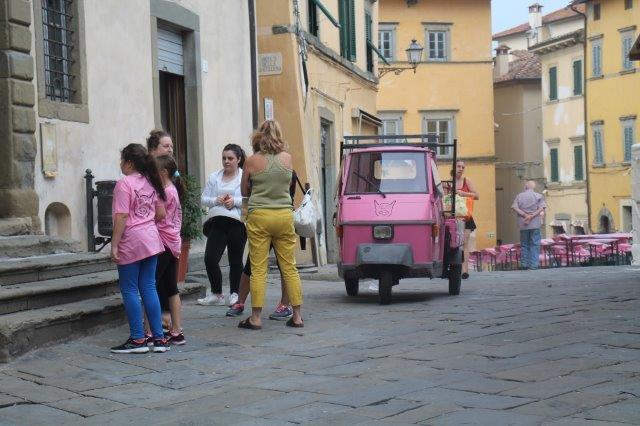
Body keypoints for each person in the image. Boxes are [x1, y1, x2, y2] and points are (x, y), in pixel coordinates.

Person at [238, 120, 303, 329]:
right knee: (289, 267)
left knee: (258, 268)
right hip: (284, 215)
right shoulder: (288, 159)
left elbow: (244, 192)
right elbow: (289, 185)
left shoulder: (251, 161)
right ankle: (297, 316)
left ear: (258, 136)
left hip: (260, 217)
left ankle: (256, 318)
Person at [110, 143, 169, 354]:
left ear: (128, 163)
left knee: (129, 289)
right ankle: (159, 339)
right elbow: (161, 213)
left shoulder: (124, 183)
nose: (120, 164)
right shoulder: (151, 181)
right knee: (149, 287)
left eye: (122, 160)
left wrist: (114, 244)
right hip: (151, 239)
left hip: (131, 240)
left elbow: (122, 216)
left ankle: (137, 339)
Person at [226, 171, 299, 320]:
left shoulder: (287, 170)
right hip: (264, 222)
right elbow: (247, 196)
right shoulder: (257, 168)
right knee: (252, 264)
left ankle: (284, 305)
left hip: (277, 221)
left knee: (285, 266)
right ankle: (240, 302)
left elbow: (290, 197)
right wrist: (245, 220)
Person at [198, 144, 247, 306]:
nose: (226, 161)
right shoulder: (215, 177)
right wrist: (216, 200)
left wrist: (235, 201)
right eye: (224, 158)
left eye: (230, 158)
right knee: (210, 258)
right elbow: (203, 199)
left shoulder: (244, 177)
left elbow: (251, 200)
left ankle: (235, 293)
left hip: (237, 223)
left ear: (238, 159)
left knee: (235, 260)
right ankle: (217, 293)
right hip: (217, 221)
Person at [151, 155, 186, 345]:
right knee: (171, 287)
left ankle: (152, 331)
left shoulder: (165, 191)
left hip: (163, 243)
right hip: (173, 243)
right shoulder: (173, 189)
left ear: (163, 172)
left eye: (154, 170)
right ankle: (176, 331)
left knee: (151, 285)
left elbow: (159, 215)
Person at [146, 129, 175, 329]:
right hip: (165, 236)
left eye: (171, 146)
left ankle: (154, 325)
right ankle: (166, 321)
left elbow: (162, 212)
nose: (170, 149)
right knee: (163, 281)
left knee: (157, 280)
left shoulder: (168, 178)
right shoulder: (150, 174)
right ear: (153, 150)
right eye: (166, 146)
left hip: (163, 236)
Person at [511, 180, 547, 270]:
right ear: (534, 187)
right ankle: (534, 265)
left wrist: (524, 215)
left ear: (525, 187)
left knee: (524, 244)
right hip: (535, 224)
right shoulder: (538, 196)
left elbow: (514, 207)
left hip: (523, 224)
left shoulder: (519, 196)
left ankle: (524, 264)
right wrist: (532, 216)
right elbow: (542, 208)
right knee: (535, 244)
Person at [453, 160, 479, 279]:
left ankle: (465, 270)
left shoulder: (466, 181)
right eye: (459, 166)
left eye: (463, 167)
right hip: (453, 217)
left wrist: (464, 193)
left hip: (466, 216)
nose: (461, 169)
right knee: (454, 244)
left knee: (465, 243)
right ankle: (455, 269)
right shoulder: (450, 182)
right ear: (454, 167)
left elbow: (477, 195)